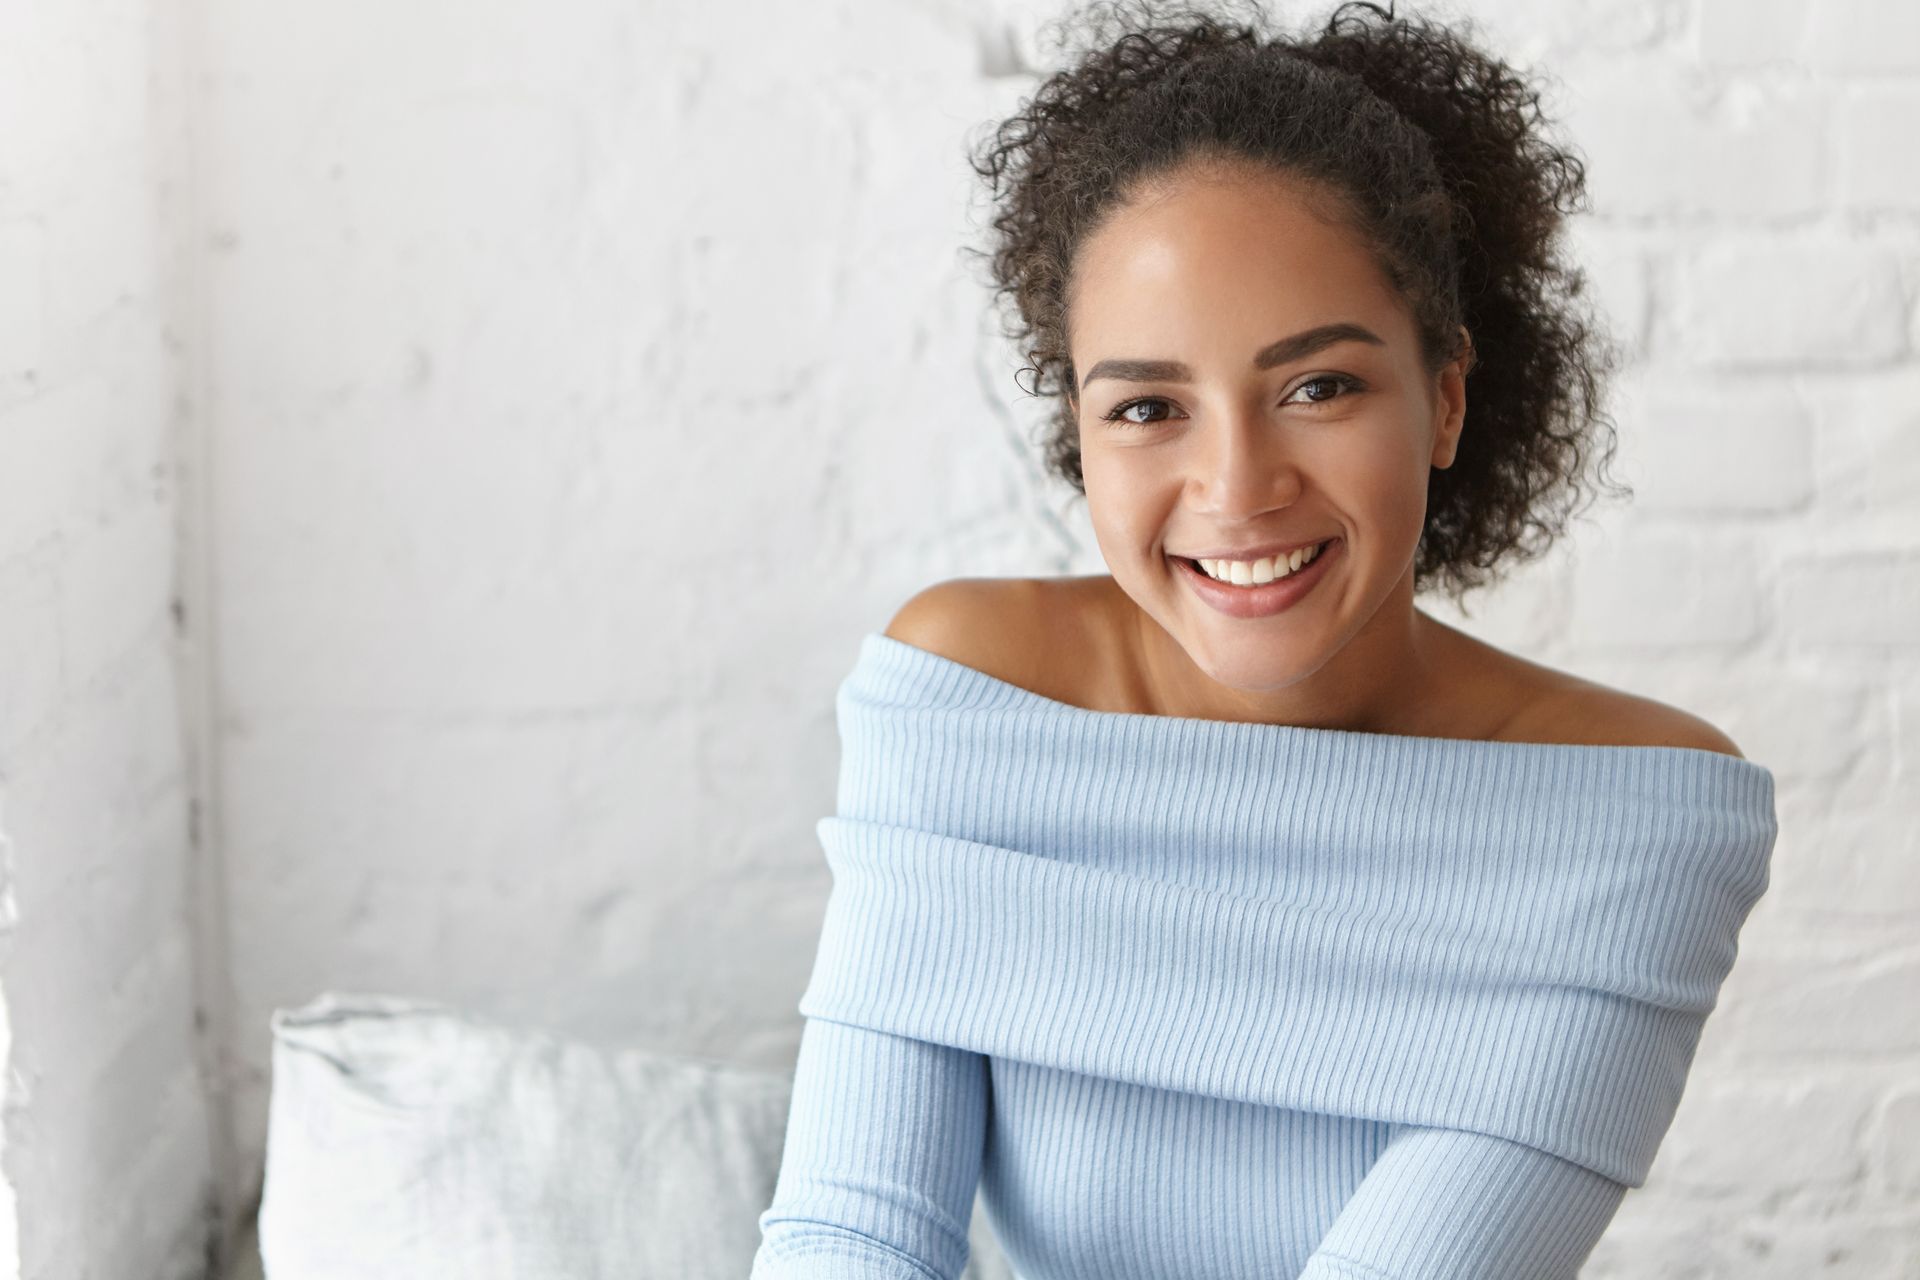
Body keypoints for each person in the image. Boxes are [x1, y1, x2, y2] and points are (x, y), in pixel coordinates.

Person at [750, 2, 1777, 1277]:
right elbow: (852, 1238)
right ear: (1082, 432)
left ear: (1445, 397)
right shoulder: (967, 704)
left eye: (1318, 387)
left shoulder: (1634, 821)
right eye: (1147, 405)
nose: (1236, 487)